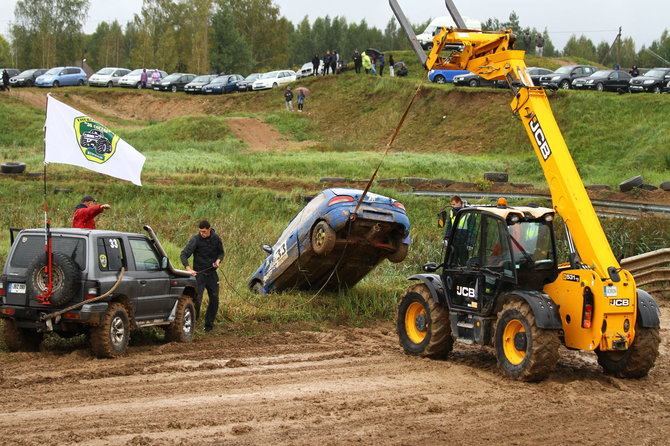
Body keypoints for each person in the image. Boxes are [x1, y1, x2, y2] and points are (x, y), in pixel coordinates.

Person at [180, 220, 225, 332]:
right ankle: (193, 325)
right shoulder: (195, 239)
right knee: (197, 300)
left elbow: (221, 253)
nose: (202, 234)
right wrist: (189, 269)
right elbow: (184, 255)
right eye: (200, 231)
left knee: (214, 299)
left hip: (212, 274)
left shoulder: (216, 239)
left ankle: (209, 326)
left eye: (204, 232)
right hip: (199, 274)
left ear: (209, 229)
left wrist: (218, 261)